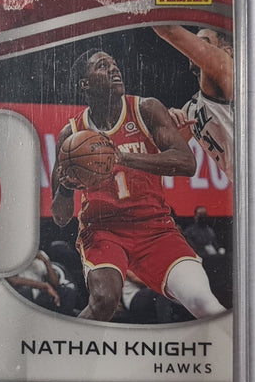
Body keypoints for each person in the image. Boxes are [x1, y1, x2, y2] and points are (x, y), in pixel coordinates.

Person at [51, 49, 225, 322]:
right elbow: (60, 218)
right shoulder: (71, 135)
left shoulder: (145, 109)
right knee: (104, 300)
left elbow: (186, 163)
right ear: (85, 84)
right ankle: (63, 347)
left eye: (114, 63)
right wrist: (65, 188)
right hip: (103, 230)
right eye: (102, 66)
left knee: (203, 302)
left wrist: (122, 157)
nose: (114, 68)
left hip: (154, 227)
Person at [153, 25, 234, 181]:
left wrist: (141, 10)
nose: (194, 47)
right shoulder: (191, 108)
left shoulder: (229, 70)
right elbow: (165, 152)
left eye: (203, 42)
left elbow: (168, 30)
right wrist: (168, 121)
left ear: (227, 51)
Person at [6, 250, 77, 315]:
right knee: (26, 291)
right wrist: (45, 286)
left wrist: (46, 262)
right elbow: (14, 280)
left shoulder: (40, 255)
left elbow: (55, 283)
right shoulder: (12, 258)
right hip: (26, 295)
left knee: (67, 291)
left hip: (42, 294)